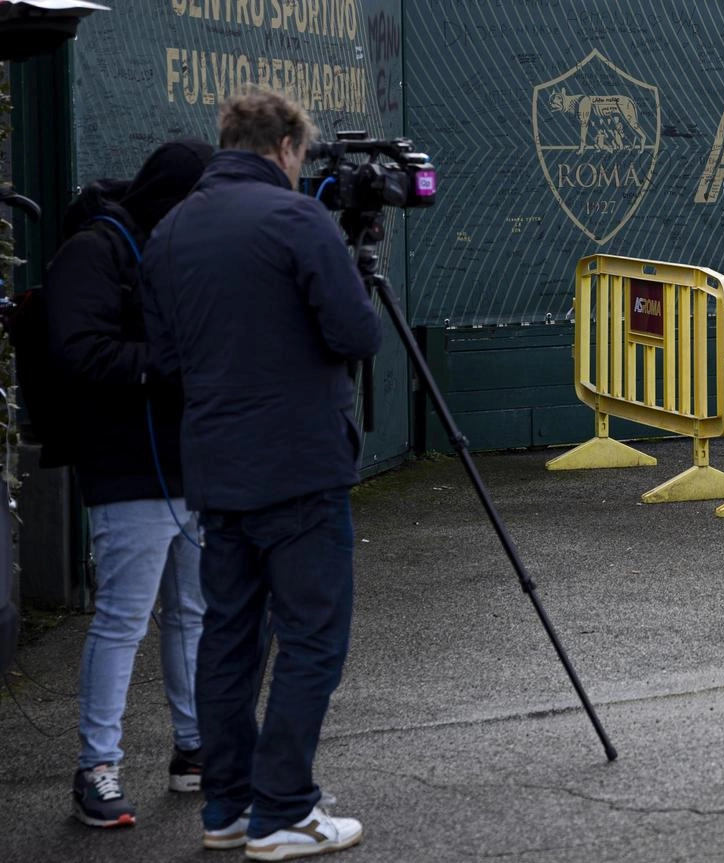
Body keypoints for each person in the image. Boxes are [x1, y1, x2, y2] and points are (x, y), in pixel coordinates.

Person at [141, 88, 380, 859]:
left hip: (217, 469)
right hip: (301, 466)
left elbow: (167, 359)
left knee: (228, 638)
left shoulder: (171, 230)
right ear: (285, 147)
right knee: (313, 638)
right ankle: (284, 810)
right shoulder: (295, 218)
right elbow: (354, 331)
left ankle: (229, 805)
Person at [43, 138, 215, 828]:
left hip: (189, 458)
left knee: (191, 612)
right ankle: (97, 768)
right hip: (125, 462)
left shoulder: (175, 245)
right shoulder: (97, 248)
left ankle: (196, 748)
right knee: (122, 621)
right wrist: (167, 363)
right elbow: (77, 349)